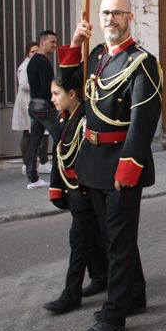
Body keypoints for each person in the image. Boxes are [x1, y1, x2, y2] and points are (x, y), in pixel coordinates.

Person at [60, 0, 162, 331]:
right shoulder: (98, 55)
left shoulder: (142, 62)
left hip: (120, 161)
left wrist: (129, 167)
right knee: (112, 237)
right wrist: (74, 42)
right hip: (94, 161)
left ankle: (115, 313)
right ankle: (135, 295)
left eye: (117, 13)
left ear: (130, 17)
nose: (109, 19)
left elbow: (143, 121)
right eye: (105, 13)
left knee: (117, 242)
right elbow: (70, 86)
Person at [44, 76, 108, 314]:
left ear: (72, 94)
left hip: (85, 190)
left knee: (78, 241)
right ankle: (101, 276)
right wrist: (57, 188)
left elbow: (86, 157)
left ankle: (71, 294)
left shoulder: (85, 119)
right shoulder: (64, 118)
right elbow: (58, 155)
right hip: (73, 189)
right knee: (91, 238)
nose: (52, 99)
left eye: (56, 93)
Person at [24, 30, 59, 189]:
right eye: (52, 42)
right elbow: (47, 88)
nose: (55, 46)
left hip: (34, 105)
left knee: (34, 142)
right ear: (42, 42)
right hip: (43, 106)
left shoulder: (33, 61)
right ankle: (61, 173)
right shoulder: (44, 62)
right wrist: (56, 106)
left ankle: (32, 178)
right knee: (61, 135)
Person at [13, 42, 50, 176]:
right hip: (27, 101)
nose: (34, 54)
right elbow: (23, 85)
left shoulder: (35, 63)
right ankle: (29, 164)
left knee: (38, 133)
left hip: (33, 100)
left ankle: (40, 163)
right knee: (30, 133)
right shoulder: (25, 66)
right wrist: (40, 84)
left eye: (36, 51)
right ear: (27, 53)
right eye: (32, 52)